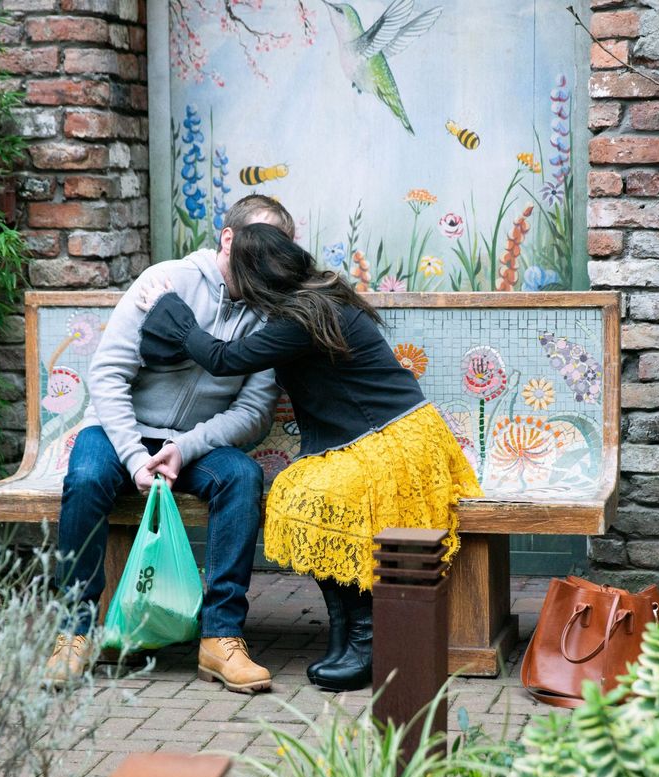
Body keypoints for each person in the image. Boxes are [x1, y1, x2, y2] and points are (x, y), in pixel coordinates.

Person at [137, 223, 483, 692]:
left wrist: (168, 310)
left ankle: (368, 637)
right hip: (367, 438)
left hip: (392, 440)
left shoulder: (301, 317)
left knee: (311, 500)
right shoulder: (313, 297)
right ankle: (347, 636)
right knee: (299, 494)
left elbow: (222, 358)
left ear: (255, 275)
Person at [44, 196, 294, 694]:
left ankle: (221, 637)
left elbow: (253, 412)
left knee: (242, 477)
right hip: (123, 431)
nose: (267, 260)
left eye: (278, 249)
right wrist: (137, 457)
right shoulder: (169, 281)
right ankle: (73, 632)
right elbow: (109, 375)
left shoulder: (270, 314)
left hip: (194, 446)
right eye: (258, 244)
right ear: (228, 238)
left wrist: (187, 447)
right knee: (87, 475)